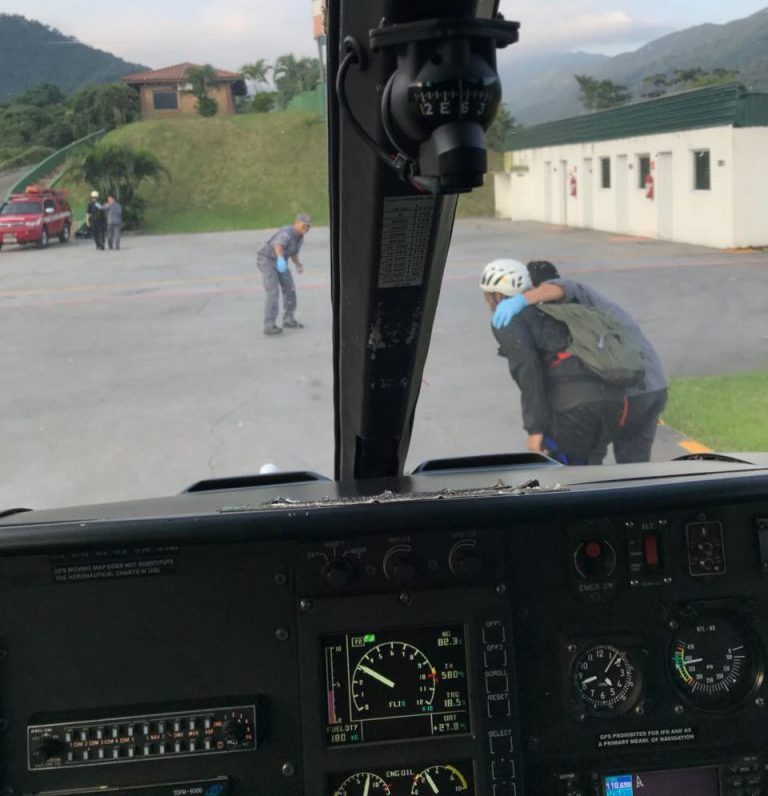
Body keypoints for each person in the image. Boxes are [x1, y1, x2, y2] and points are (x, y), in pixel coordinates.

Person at [492, 261, 668, 464]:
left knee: (583, 457)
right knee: (635, 472)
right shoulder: (586, 310)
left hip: (628, 393)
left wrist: (522, 300)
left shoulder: (570, 296)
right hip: (654, 387)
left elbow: (558, 288)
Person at [256, 214, 311, 336]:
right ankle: (269, 325)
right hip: (267, 260)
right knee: (273, 292)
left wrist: (298, 264)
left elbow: (294, 252)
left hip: (281, 260)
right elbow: (278, 245)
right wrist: (280, 259)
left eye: (308, 226)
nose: (306, 228)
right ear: (296, 223)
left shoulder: (300, 237)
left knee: (290, 288)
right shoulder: (287, 232)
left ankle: (289, 319)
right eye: (304, 225)